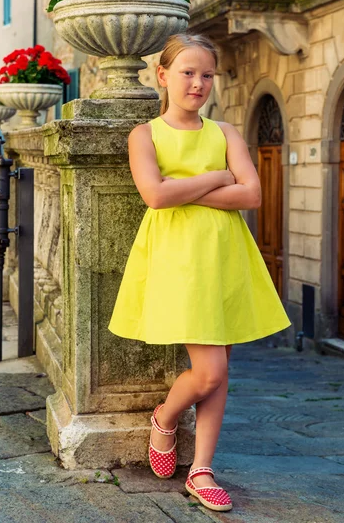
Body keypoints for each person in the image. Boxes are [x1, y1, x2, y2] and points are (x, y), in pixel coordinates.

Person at [108, 33, 291, 512]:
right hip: (177, 260)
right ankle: (165, 417)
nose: (198, 83)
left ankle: (203, 468)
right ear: (162, 76)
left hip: (227, 256)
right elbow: (155, 195)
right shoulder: (144, 135)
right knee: (210, 370)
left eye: (207, 74)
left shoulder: (226, 133)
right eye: (188, 72)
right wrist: (217, 178)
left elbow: (251, 195)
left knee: (221, 368)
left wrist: (183, 186)